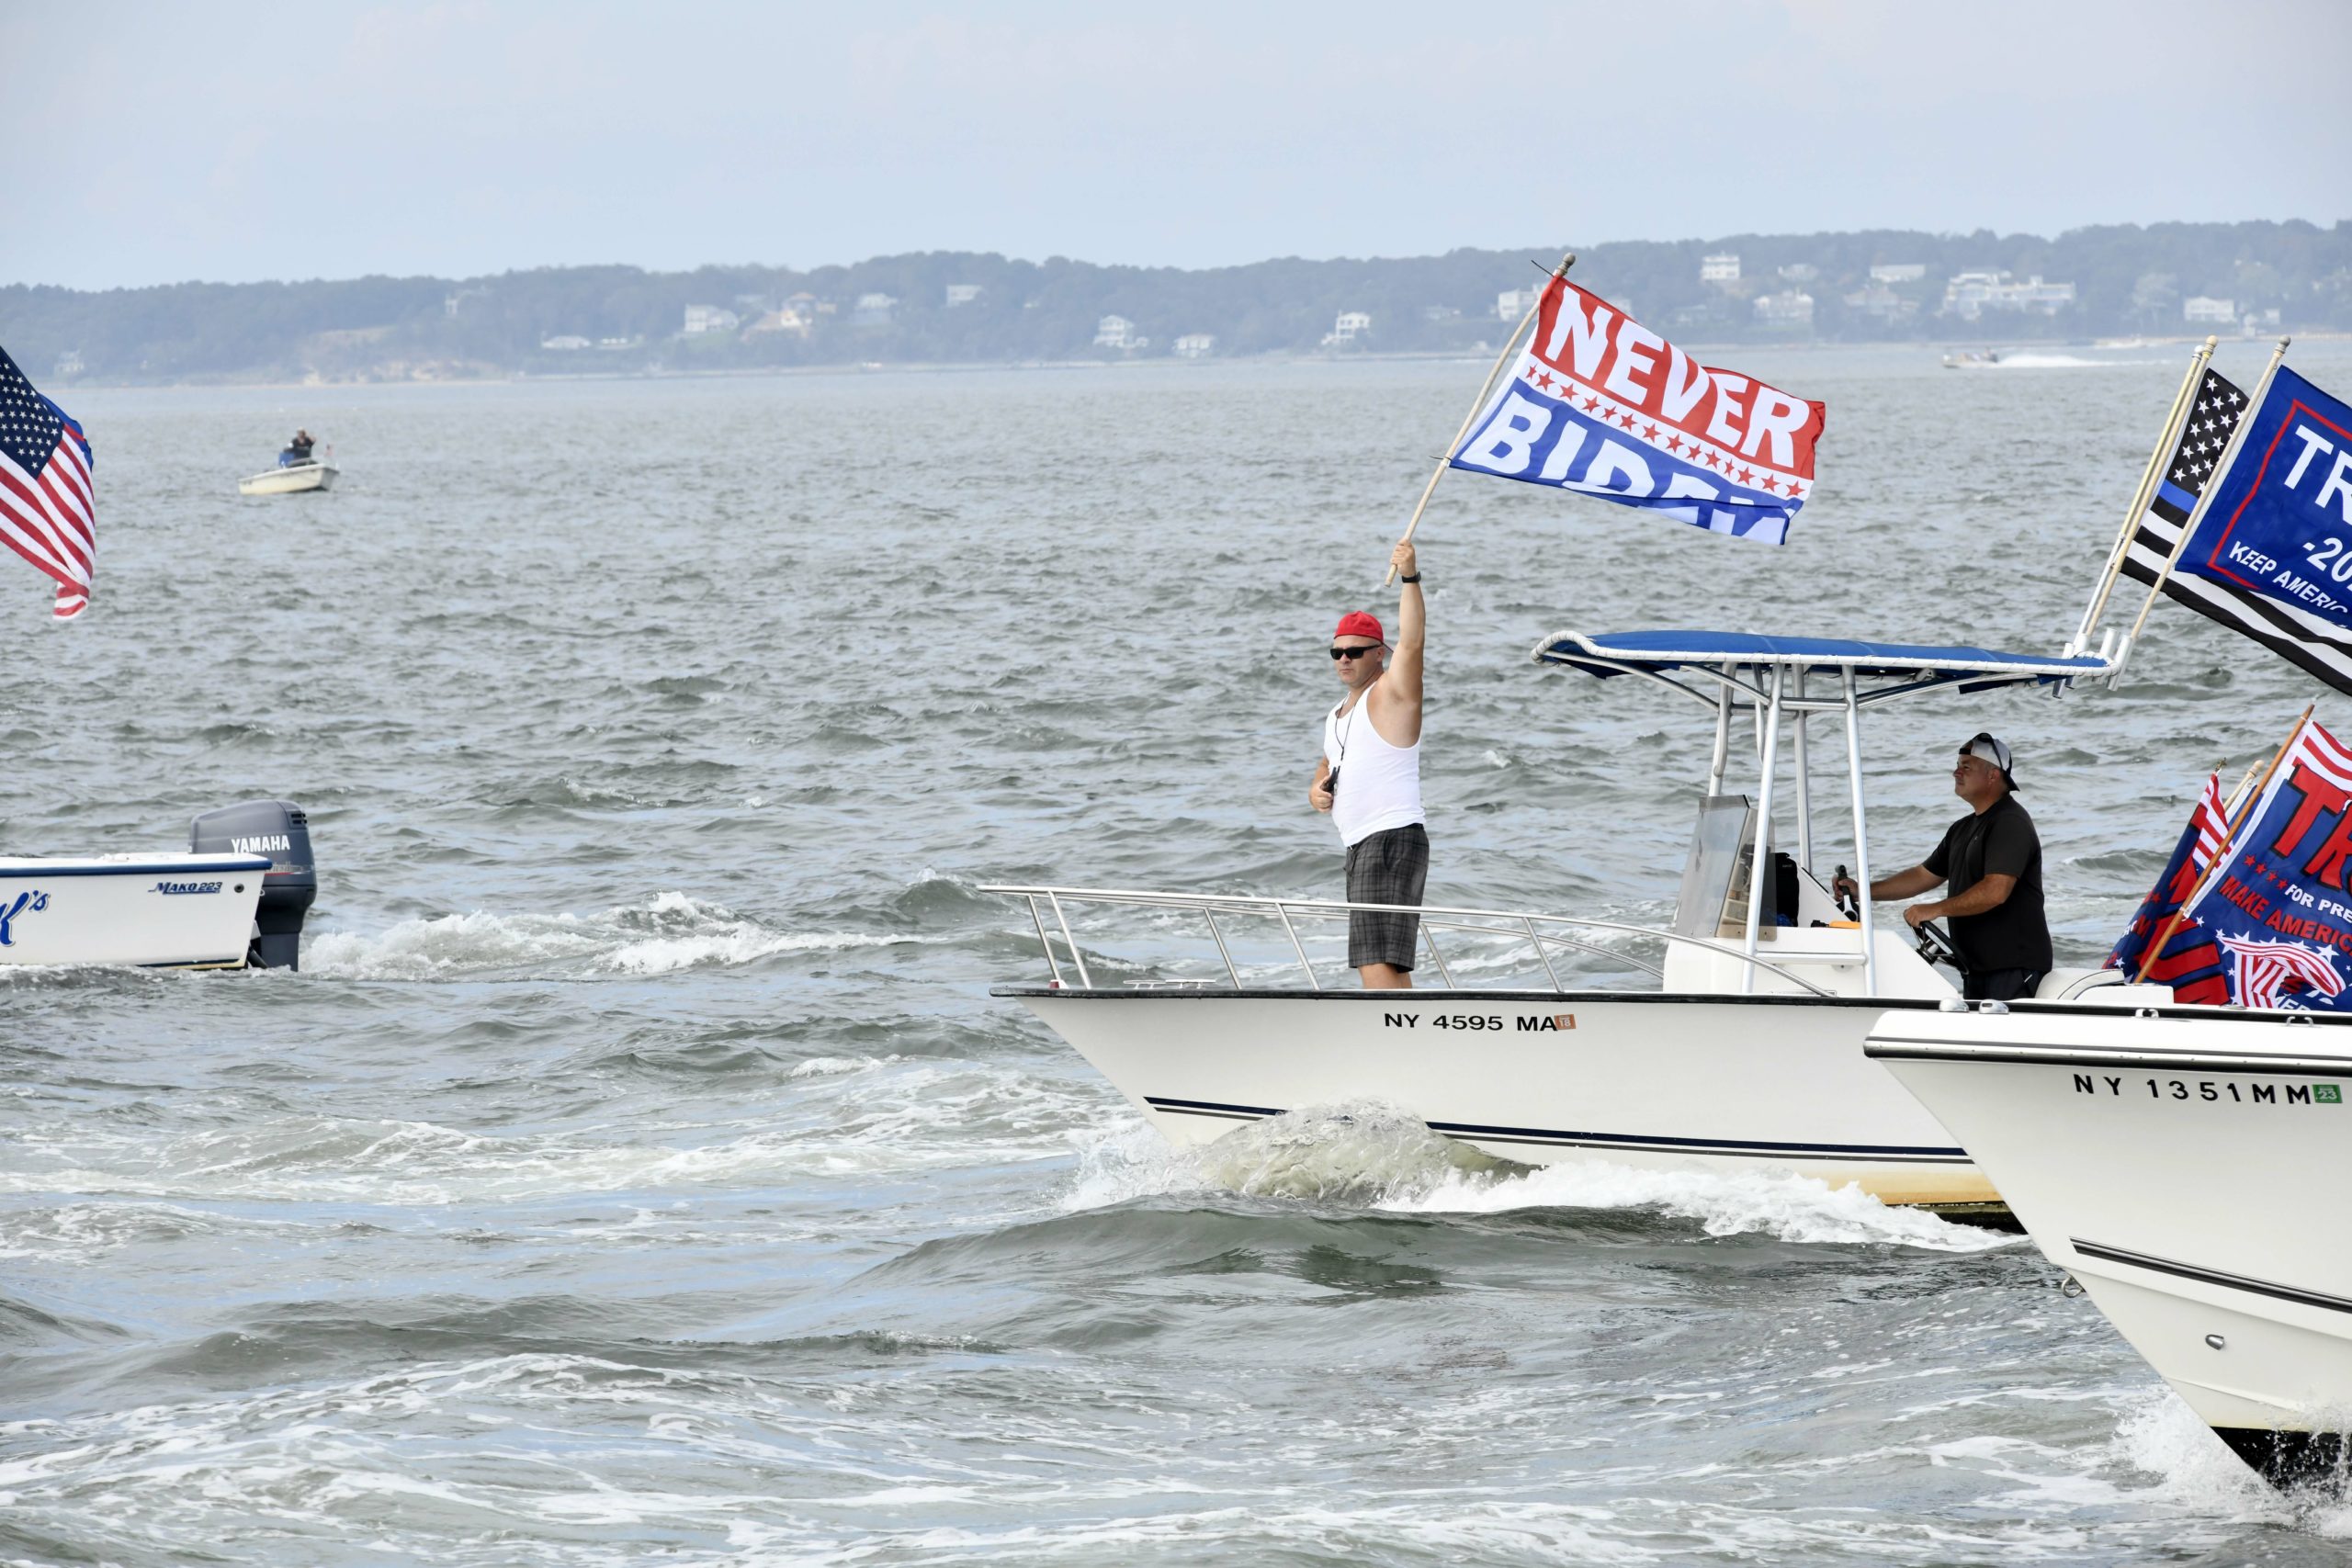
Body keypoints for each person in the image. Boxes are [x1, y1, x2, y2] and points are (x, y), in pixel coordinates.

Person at [1835, 732, 2052, 1001]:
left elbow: (1996, 891)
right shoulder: (1961, 829)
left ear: (1993, 775)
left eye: (1966, 767)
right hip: (1976, 968)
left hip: (2013, 967)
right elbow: (1922, 875)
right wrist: (1863, 892)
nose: (1956, 772)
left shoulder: (2010, 822)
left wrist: (1935, 909)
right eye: (1957, 765)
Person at [1309, 539, 1426, 989]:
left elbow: (1413, 645)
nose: (1344, 659)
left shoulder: (1391, 695)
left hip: (1390, 836)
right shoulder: (1338, 712)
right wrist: (1317, 790)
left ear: (1379, 653)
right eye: (1337, 652)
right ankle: (1408, 1040)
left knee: (1376, 962)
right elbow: (1328, 762)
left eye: (1355, 651)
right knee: (1381, 963)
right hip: (1361, 844)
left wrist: (1411, 577)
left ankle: (1399, 1045)